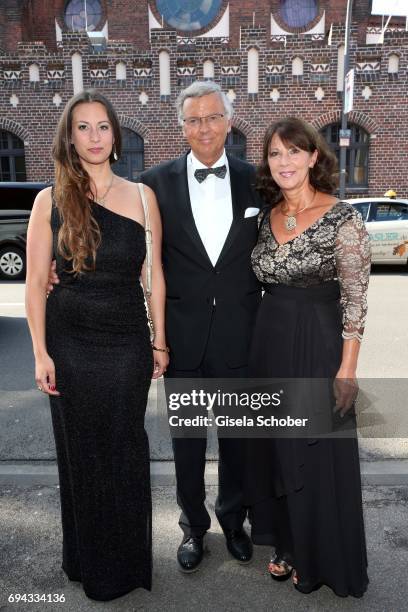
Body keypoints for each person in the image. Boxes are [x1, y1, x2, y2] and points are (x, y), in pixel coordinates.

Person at [25, 89, 168, 601]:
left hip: (128, 342)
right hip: (70, 345)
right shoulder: (49, 200)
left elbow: (155, 276)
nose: (93, 136)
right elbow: (36, 281)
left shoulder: (143, 196)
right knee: (82, 453)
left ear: (116, 135)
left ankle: (126, 562)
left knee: (125, 447)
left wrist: (160, 342)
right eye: (82, 127)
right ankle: (88, 561)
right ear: (69, 136)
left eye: (102, 126)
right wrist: (41, 353)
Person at [245, 117, 370, 597]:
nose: (284, 162)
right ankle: (286, 543)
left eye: (294, 152)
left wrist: (347, 369)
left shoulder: (343, 218)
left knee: (314, 453)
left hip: (317, 348)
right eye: (275, 154)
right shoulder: (264, 215)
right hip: (268, 345)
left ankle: (319, 556)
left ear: (314, 156)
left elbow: (356, 301)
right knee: (276, 450)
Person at [140, 81, 262, 572]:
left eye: (213, 117)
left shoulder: (258, 181)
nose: (204, 127)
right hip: (182, 340)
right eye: (194, 119)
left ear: (229, 122)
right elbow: (143, 258)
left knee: (238, 443)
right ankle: (193, 528)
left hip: (241, 336)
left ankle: (234, 521)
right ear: (182, 127)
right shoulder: (154, 183)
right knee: (186, 445)